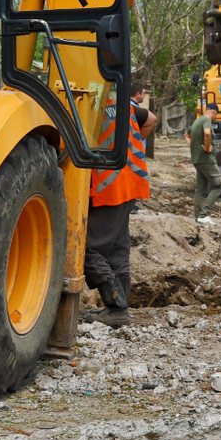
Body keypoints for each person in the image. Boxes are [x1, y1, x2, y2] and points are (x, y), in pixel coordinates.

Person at [84, 90, 153, 326]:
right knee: (116, 247)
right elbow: (151, 119)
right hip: (130, 179)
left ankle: (116, 306)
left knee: (85, 247)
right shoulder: (121, 101)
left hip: (108, 184)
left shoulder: (89, 100)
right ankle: (119, 308)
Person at [187, 104, 221, 226]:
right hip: (206, 160)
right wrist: (207, 148)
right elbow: (207, 133)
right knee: (218, 185)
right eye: (216, 115)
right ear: (214, 112)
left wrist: (194, 147)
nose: (216, 117)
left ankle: (198, 217)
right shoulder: (207, 120)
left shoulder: (197, 121)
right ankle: (204, 215)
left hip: (197, 159)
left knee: (201, 189)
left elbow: (186, 135)